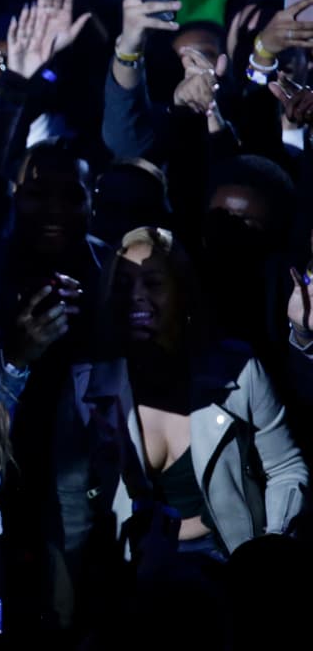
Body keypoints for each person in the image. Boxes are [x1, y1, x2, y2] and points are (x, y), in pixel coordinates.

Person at [82, 227, 306, 559]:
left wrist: (270, 547)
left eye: (154, 283)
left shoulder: (239, 370)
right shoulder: (88, 384)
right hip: (131, 572)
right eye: (124, 284)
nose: (137, 296)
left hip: (228, 560)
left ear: (183, 291)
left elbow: (286, 466)